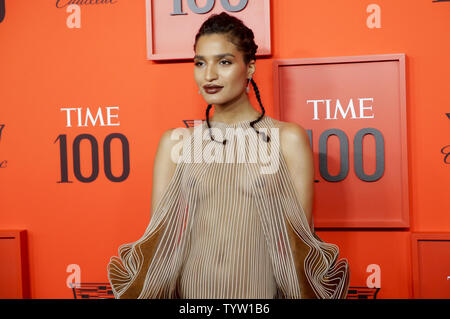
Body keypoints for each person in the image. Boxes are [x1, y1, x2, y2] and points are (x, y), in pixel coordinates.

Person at [107, 12, 350, 299]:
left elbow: (298, 247)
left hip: (259, 293)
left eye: (224, 62)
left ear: (249, 68)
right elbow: (159, 242)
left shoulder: (288, 140)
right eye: (200, 63)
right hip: (193, 292)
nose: (209, 75)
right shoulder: (177, 144)